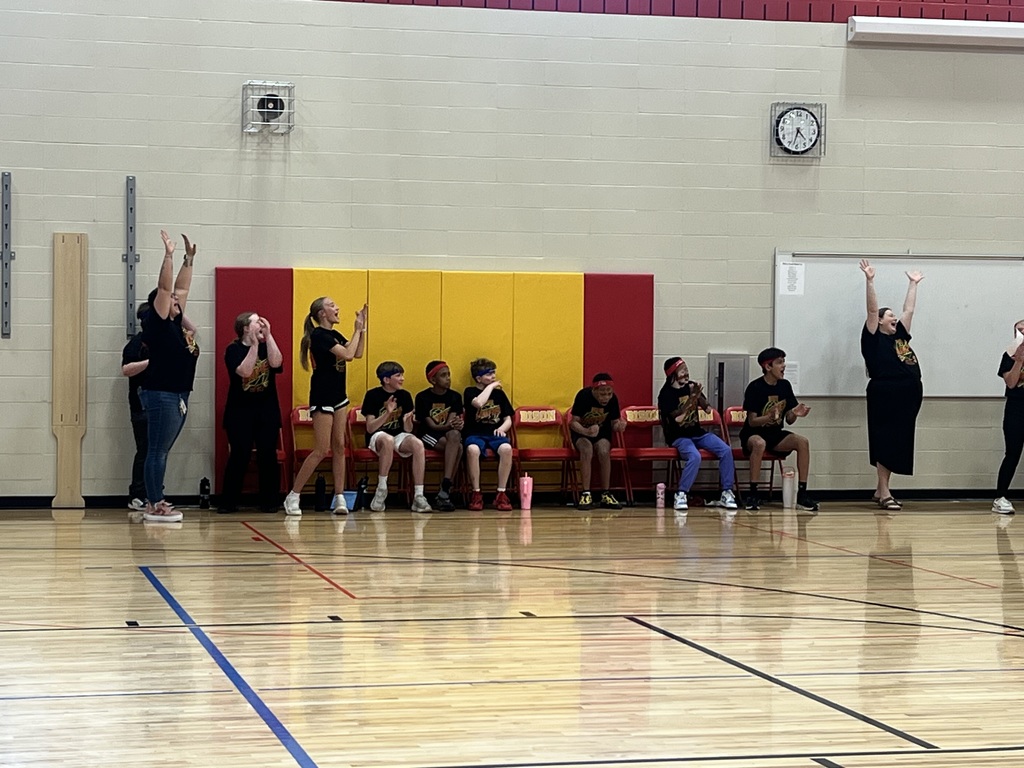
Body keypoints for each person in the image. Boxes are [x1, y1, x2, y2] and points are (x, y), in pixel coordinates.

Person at [283, 297, 367, 517]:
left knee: (339, 446)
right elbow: (348, 355)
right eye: (332, 305)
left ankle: (339, 496)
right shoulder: (319, 336)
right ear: (322, 313)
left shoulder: (335, 335)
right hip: (322, 395)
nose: (337, 307)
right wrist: (357, 329)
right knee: (321, 449)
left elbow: (356, 353)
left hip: (339, 395)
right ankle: (293, 495)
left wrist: (363, 329)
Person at [139, 230, 200, 523]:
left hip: (177, 393)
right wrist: (169, 255)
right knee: (157, 451)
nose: (177, 300)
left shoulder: (175, 324)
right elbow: (166, 289)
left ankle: (155, 498)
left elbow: (181, 290)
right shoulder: (159, 322)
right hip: (161, 393)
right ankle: (155, 503)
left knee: (161, 450)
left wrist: (189, 259)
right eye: (172, 300)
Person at [859, 259, 924, 512]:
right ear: (881, 321)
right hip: (885, 393)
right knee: (885, 440)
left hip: (908, 393)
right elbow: (872, 310)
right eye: (890, 316)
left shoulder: (900, 336)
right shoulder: (873, 338)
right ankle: (885, 491)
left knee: (898, 440)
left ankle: (879, 488)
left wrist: (913, 284)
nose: (895, 318)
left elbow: (909, 310)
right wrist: (870, 281)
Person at [219, 311, 284, 514]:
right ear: (246, 328)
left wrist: (269, 336)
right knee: (240, 455)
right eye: (257, 322)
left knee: (268, 456)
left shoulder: (268, 346)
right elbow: (245, 372)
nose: (261, 324)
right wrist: (255, 345)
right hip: (240, 412)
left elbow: (276, 363)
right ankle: (229, 502)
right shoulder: (233, 350)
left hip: (267, 411)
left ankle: (270, 501)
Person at [739, 347, 818, 512]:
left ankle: (802, 495)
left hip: (775, 434)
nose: (784, 366)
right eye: (779, 362)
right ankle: (753, 494)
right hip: (754, 434)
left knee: (802, 442)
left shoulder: (784, 386)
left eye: (784, 361)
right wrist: (769, 417)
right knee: (759, 443)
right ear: (768, 367)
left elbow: (789, 419)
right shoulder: (755, 387)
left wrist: (795, 413)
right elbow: (752, 422)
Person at [657, 357, 737, 513]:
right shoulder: (666, 394)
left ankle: (726, 492)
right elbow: (679, 419)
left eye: (687, 369)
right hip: (679, 436)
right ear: (673, 374)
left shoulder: (691, 387)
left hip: (697, 433)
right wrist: (692, 399)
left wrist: (699, 396)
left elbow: (708, 410)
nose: (686, 373)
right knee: (695, 456)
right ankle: (681, 494)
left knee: (726, 450)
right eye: (682, 370)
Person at [361, 361, 432, 513]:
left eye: (402, 375)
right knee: (388, 440)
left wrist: (408, 421)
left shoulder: (405, 396)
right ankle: (381, 489)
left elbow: (408, 430)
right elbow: (370, 427)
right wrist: (387, 412)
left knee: (418, 444)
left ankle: (419, 496)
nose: (402, 378)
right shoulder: (373, 395)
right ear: (386, 380)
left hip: (399, 434)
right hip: (377, 436)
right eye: (398, 375)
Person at [568, 373, 625, 511]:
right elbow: (573, 422)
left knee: (604, 450)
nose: (606, 397)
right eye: (602, 394)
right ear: (594, 391)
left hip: (602, 433)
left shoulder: (613, 400)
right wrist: (586, 432)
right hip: (582, 432)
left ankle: (605, 493)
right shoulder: (583, 396)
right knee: (587, 450)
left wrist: (620, 426)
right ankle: (586, 493)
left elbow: (614, 423)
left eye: (609, 394)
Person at [463, 357, 515, 512]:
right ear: (478, 378)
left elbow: (508, 419)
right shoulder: (469, 392)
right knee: (473, 450)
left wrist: (503, 429)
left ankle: (501, 494)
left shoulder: (500, 395)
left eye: (494, 373)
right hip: (474, 434)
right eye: (489, 374)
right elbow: (478, 403)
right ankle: (476, 493)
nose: (493, 376)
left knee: (506, 449)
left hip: (494, 434)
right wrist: (491, 387)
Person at [414, 360, 464, 511]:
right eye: (443, 375)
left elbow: (451, 423)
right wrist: (452, 426)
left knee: (456, 436)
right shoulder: (422, 397)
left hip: (446, 433)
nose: (448, 378)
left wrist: (457, 425)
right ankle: (445, 492)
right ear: (433, 379)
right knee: (459, 448)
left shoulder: (455, 396)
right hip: (427, 434)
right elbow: (432, 425)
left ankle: (445, 486)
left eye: (449, 374)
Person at [121, 302, 151, 516]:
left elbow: (191, 331)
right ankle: (137, 495)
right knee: (145, 450)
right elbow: (127, 369)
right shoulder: (137, 344)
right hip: (141, 405)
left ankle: (152, 493)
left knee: (157, 451)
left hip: (160, 403)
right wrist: (151, 362)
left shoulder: (165, 340)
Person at [993, 320, 1024, 515]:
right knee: (1012, 453)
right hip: (1017, 408)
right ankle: (1001, 497)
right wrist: (1019, 361)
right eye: (1020, 331)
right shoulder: (1009, 356)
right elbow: (1011, 383)